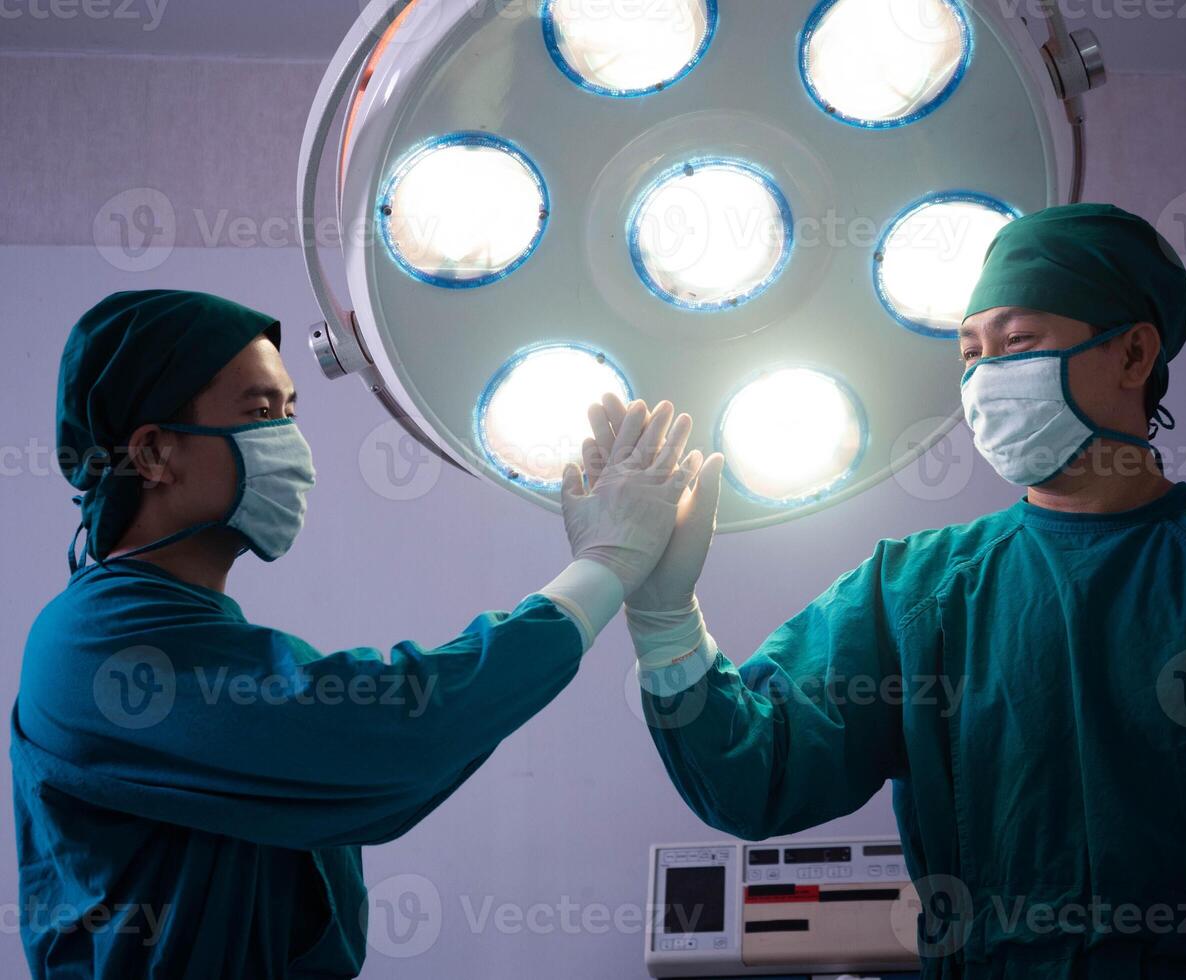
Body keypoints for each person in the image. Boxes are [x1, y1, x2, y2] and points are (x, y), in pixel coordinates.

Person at [598, 204, 1186, 977]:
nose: (985, 377)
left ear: (1133, 354)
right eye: (970, 353)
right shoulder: (916, 591)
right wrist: (664, 618)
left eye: (1018, 342)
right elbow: (757, 778)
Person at [12, 289, 708, 977]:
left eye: (290, 410)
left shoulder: (187, 631)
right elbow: (387, 731)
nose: (289, 441)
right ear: (155, 455)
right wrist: (600, 572)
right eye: (258, 412)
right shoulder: (100, 647)